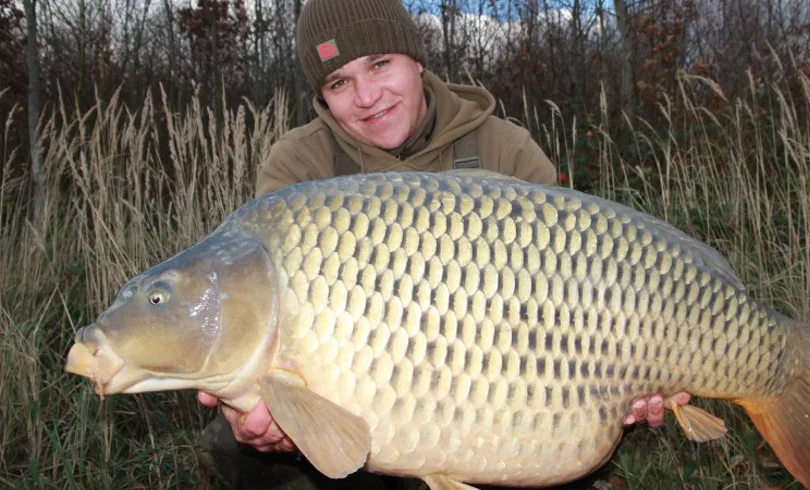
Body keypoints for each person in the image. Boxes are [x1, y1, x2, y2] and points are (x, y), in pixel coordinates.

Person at [194, 0, 692, 488]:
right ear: (322, 96)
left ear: (417, 60)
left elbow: (576, 291)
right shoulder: (297, 168)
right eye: (339, 82)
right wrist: (262, 407)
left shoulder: (505, 150)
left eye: (380, 64)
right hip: (362, 400)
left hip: (504, 385)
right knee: (228, 441)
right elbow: (269, 324)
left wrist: (631, 369)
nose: (367, 96)